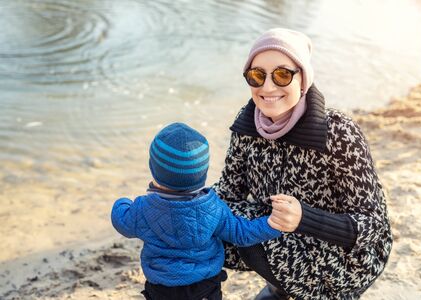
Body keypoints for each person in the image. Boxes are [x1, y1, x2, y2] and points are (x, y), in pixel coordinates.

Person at [213, 28, 393, 299]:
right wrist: (177, 200)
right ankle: (276, 288)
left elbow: (373, 226)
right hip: (276, 235)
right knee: (198, 223)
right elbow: (228, 195)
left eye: (282, 74)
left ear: (303, 79)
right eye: (257, 75)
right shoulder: (247, 123)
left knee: (246, 223)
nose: (268, 87)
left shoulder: (338, 132)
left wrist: (305, 218)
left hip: (345, 256)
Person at [111, 122, 289, 300]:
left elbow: (121, 221)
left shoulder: (142, 208)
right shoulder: (213, 207)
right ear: (202, 173)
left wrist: (122, 202)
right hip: (206, 284)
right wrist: (272, 224)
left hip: (163, 287)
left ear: (153, 169)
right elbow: (241, 233)